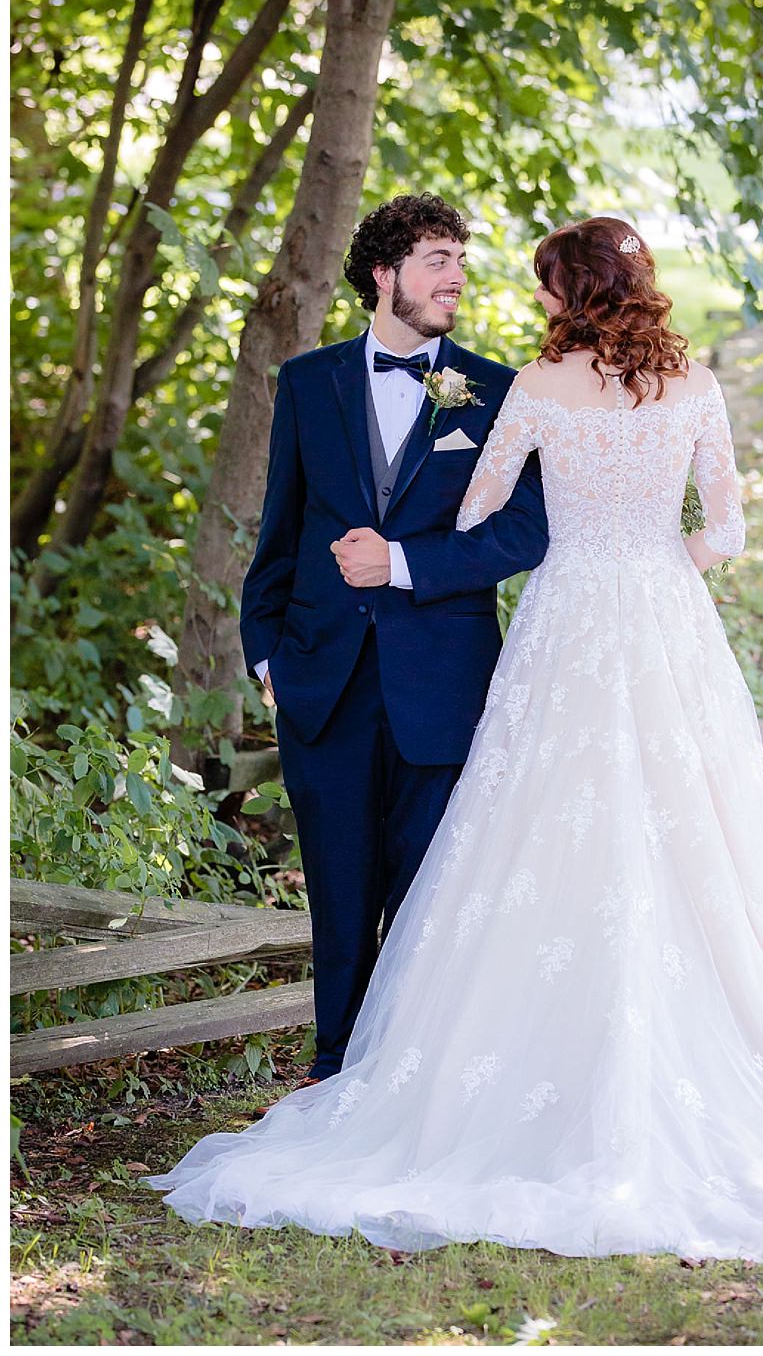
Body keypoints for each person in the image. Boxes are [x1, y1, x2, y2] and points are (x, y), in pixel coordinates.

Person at [152, 217, 763, 1260]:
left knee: (510, 846)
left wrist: (421, 554)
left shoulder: (519, 385)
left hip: (548, 639)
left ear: (569, 293)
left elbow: (492, 518)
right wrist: (666, 564)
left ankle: (424, 1077)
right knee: (672, 837)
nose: (475, 284)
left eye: (522, 281)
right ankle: (356, 1061)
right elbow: (726, 530)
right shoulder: (688, 388)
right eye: (443, 263)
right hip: (649, 632)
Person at [240, 193, 547, 1085]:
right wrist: (268, 657)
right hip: (320, 681)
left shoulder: (499, 390)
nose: (456, 277)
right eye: (436, 259)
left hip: (441, 682)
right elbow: (282, 530)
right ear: (384, 275)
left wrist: (404, 564)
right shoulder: (309, 381)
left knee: (426, 897)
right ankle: (333, 1078)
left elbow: (522, 532)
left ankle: (408, 1085)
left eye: (460, 259)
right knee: (339, 900)